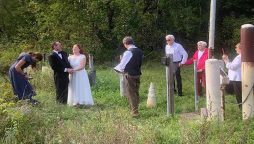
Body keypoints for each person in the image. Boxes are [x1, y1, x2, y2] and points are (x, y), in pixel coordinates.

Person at [114, 36, 143, 117]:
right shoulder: (140, 51)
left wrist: (116, 69)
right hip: (137, 73)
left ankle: (135, 112)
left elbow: (122, 65)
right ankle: (135, 108)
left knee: (131, 93)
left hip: (130, 74)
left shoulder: (128, 52)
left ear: (125, 44)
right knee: (136, 92)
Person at [222, 43, 242, 109]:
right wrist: (227, 60)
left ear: (240, 48)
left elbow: (233, 67)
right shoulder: (239, 56)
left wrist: (225, 61)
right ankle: (241, 108)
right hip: (236, 78)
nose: (235, 49)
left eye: (236, 47)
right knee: (238, 94)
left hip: (237, 79)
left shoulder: (240, 57)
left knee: (239, 95)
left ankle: (242, 108)